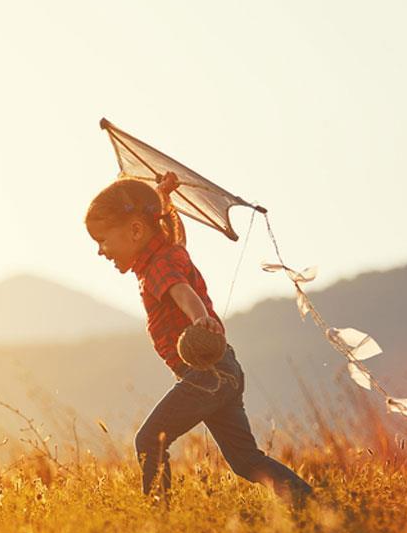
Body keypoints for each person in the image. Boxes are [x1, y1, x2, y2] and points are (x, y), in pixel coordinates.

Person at [84, 173, 313, 508]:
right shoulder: (167, 251)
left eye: (103, 240)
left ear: (135, 230)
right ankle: (314, 506)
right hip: (225, 372)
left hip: (208, 376)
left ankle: (158, 517)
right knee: (247, 460)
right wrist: (161, 195)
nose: (100, 251)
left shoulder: (159, 265)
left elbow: (182, 292)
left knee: (150, 440)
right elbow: (165, 234)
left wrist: (199, 318)